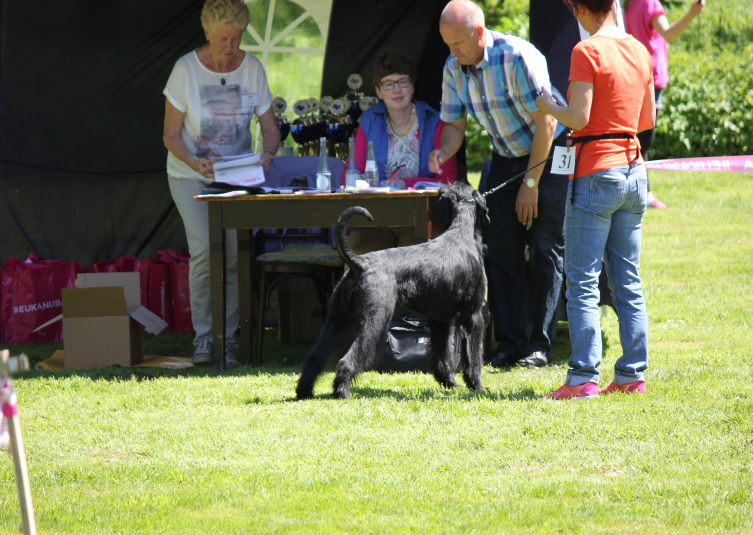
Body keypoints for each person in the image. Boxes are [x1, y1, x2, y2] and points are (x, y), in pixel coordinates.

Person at [429, 0, 567, 369]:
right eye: (447, 44)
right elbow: (455, 128)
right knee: (502, 250)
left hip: (550, 152)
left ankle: (540, 347)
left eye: (457, 44)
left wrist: (532, 182)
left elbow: (548, 124)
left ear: (478, 33)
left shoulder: (518, 57)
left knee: (546, 245)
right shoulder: (452, 68)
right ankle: (509, 345)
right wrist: (442, 152)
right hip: (505, 157)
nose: (451, 52)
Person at [535, 0, 656, 399]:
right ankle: (631, 376)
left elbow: (580, 117)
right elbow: (646, 121)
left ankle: (582, 378)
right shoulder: (639, 49)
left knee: (583, 280)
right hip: (634, 169)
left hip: (595, 172)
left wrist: (550, 107)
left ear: (578, 8)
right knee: (628, 279)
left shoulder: (585, 50)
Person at [162, 0, 280, 366]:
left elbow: (270, 130)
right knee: (204, 252)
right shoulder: (186, 69)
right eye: (223, 39)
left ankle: (227, 339)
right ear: (207, 33)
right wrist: (193, 160)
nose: (230, 47)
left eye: (237, 38)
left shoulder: (253, 68)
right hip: (190, 175)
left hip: (237, 178)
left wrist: (268, 155)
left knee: (231, 256)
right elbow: (170, 134)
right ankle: (203, 339)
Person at [344, 50, 457, 255]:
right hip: (375, 220)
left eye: (403, 82)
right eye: (388, 84)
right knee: (359, 253)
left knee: (416, 258)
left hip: (420, 220)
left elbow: (449, 182)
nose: (396, 89)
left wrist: (407, 184)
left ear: (412, 86)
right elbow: (351, 175)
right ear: (379, 91)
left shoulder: (435, 122)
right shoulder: (368, 121)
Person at [624, 0, 705, 209]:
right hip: (650, 78)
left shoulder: (629, 3)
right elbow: (668, 33)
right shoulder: (649, 3)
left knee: (638, 138)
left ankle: (644, 192)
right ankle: (639, 193)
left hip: (632, 74)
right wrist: (692, 13)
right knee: (644, 140)